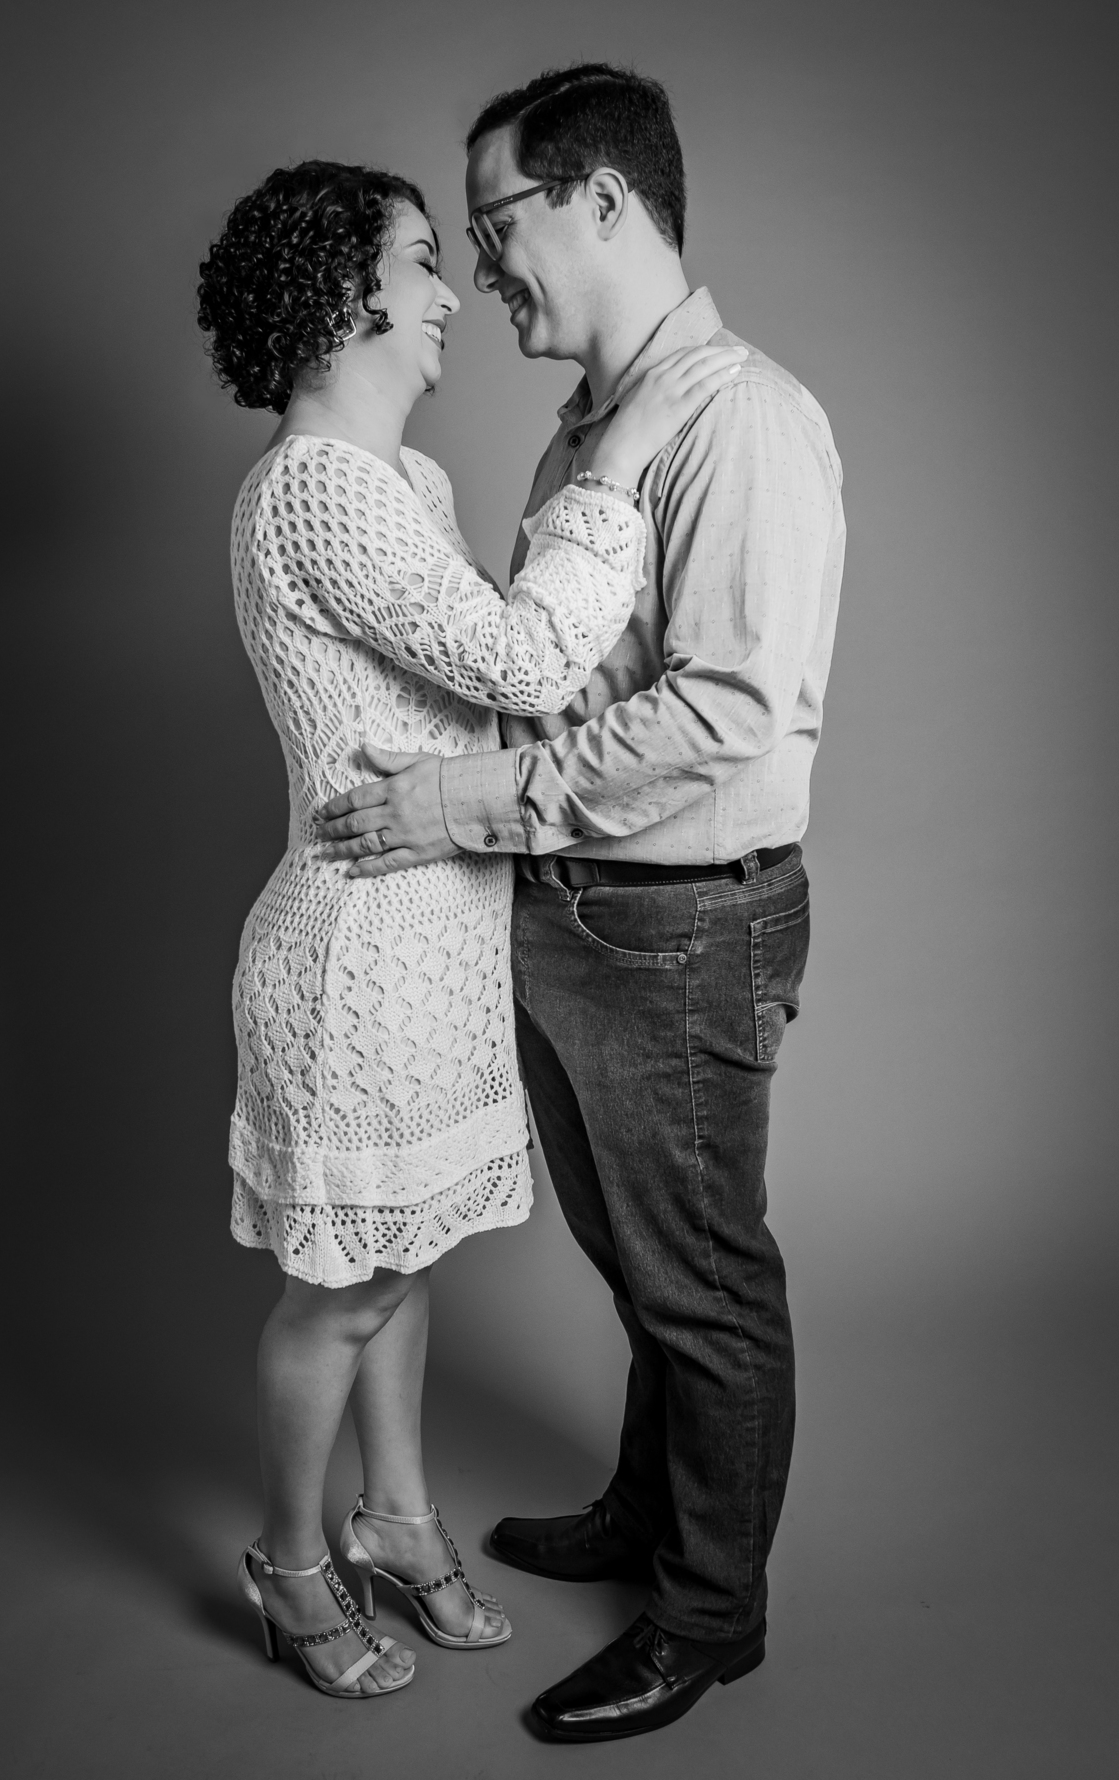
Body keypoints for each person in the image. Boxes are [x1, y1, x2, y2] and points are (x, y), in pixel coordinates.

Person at [317, 65, 846, 1739]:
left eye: (497, 224)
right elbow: (548, 671)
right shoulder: (588, 431)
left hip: (680, 927)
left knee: (702, 1282)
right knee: (640, 1268)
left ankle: (709, 1614)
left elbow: (727, 715)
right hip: (572, 913)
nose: (478, 269)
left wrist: (457, 800)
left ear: (604, 200)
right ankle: (652, 1513)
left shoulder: (740, 419)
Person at [196, 157, 744, 1701]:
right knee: (345, 1290)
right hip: (353, 957)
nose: (454, 295)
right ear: (341, 294)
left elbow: (479, 706)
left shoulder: (414, 485)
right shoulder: (313, 486)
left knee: (407, 1258)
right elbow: (519, 665)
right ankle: (291, 1562)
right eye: (423, 262)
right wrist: (615, 465)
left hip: (438, 942)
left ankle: (398, 1519)